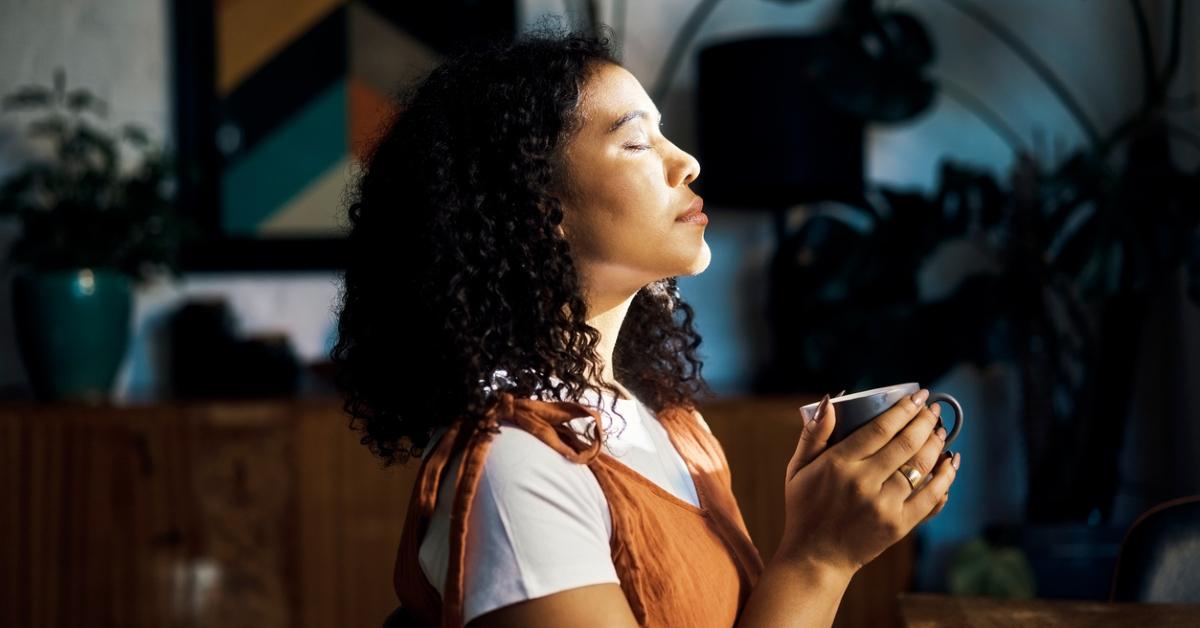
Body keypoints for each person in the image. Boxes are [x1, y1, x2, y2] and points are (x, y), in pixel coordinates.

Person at [330, 24, 960, 628]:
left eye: (666, 136)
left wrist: (825, 540)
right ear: (537, 206)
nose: (686, 162)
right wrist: (819, 559)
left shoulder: (672, 426)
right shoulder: (514, 471)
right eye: (637, 143)